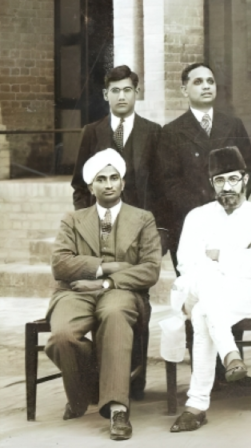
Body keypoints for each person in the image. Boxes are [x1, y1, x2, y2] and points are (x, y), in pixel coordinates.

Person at [46, 149, 162, 441]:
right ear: (90, 186)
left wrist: (109, 283)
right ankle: (87, 388)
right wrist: (104, 267)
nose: (109, 184)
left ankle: (117, 408)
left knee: (113, 315)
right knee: (62, 337)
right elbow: (60, 264)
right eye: (101, 179)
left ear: (123, 183)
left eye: (114, 178)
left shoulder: (143, 218)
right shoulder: (73, 219)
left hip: (121, 292)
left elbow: (150, 270)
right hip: (75, 292)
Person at [166, 147, 251, 432]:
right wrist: (233, 257)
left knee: (205, 299)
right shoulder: (197, 217)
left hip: (246, 293)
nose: (227, 187)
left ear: (246, 179)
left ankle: (197, 404)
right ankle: (226, 362)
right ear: (210, 183)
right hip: (207, 294)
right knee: (204, 311)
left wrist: (218, 256)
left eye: (233, 179)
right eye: (219, 180)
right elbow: (185, 264)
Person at [158, 63, 251, 269]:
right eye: (198, 82)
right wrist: (204, 208)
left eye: (210, 81)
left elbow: (249, 171)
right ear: (184, 90)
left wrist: (230, 200)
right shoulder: (172, 131)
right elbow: (169, 182)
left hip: (231, 218)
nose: (206, 86)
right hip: (191, 222)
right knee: (196, 289)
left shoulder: (232, 125)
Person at [71, 65, 160, 213]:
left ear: (136, 92)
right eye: (115, 91)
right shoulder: (91, 132)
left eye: (127, 90)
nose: (121, 97)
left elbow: (160, 186)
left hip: (141, 222)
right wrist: (86, 223)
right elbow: (80, 185)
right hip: (101, 223)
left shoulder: (153, 131)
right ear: (106, 94)